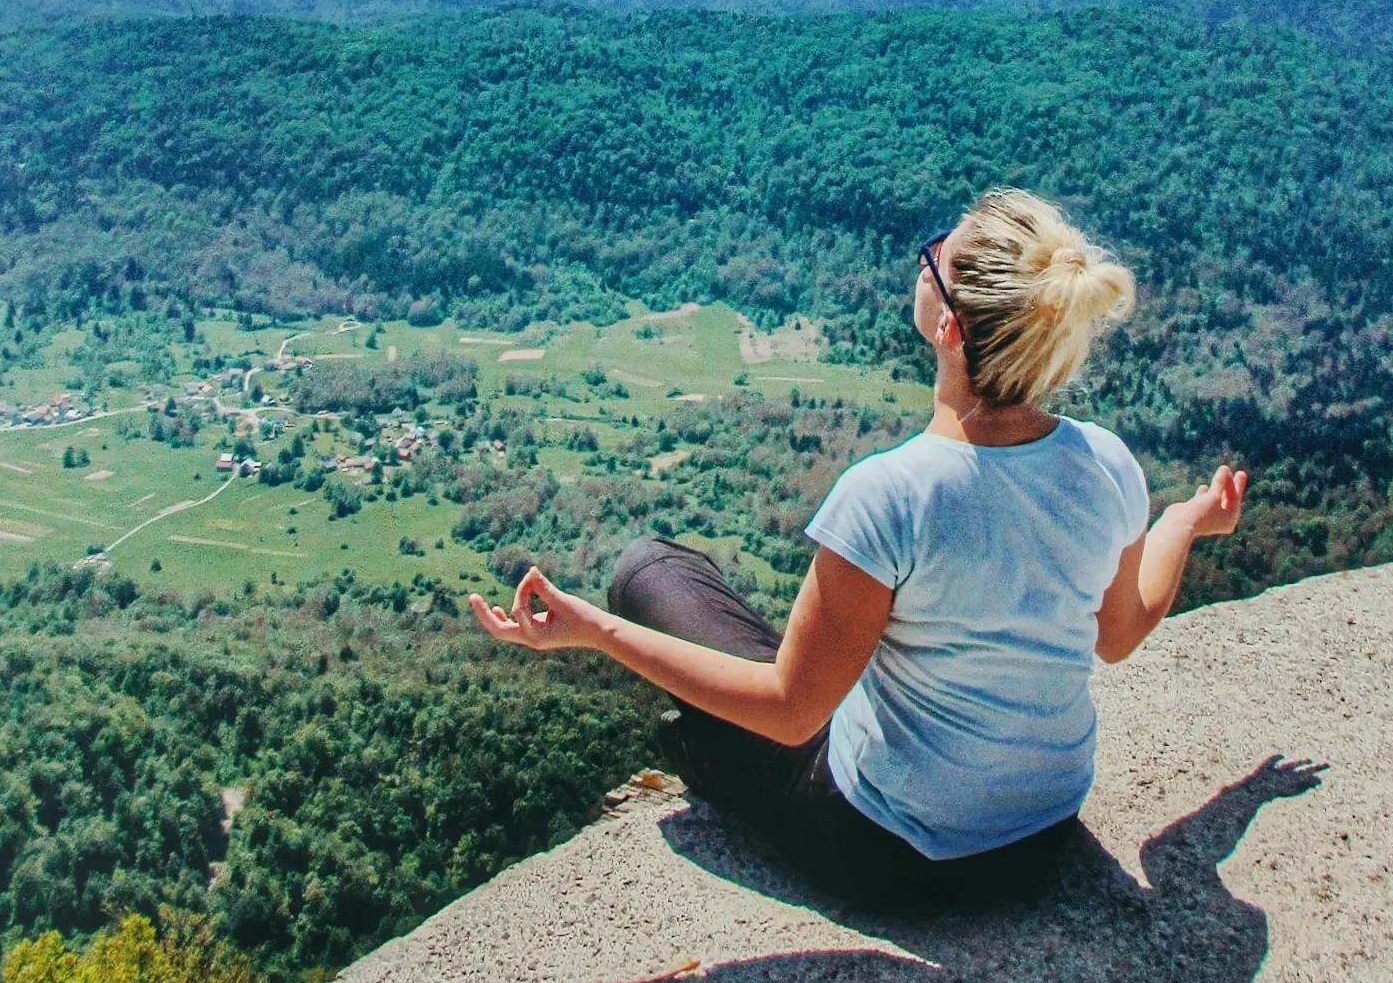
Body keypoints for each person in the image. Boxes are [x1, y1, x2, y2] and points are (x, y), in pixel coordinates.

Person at [467, 188, 1248, 911]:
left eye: (935, 258)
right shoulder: (1104, 463)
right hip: (1043, 835)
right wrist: (1180, 522)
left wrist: (593, 633)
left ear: (949, 327)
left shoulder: (892, 493)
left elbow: (790, 709)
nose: (925, 256)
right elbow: (1117, 634)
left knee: (649, 571)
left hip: (897, 859)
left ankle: (704, 758)